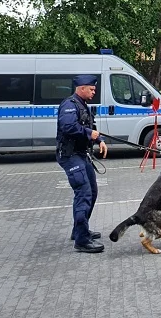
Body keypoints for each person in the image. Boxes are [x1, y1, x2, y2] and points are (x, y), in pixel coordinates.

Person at [57, 75, 108, 253]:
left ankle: (79, 230)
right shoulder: (69, 105)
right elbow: (68, 127)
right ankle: (82, 241)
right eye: (92, 89)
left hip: (81, 154)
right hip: (70, 156)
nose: (94, 92)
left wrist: (99, 139)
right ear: (81, 88)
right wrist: (89, 134)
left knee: (92, 191)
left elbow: (90, 125)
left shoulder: (82, 104)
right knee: (84, 193)